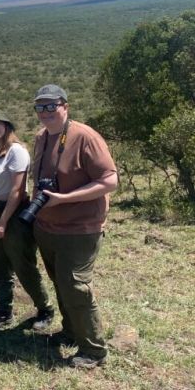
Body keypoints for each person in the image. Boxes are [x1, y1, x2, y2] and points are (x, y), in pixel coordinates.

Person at [30, 84, 118, 368]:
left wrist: (65, 199)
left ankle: (94, 350)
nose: (45, 112)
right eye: (40, 107)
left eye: (51, 106)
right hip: (47, 226)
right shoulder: (41, 137)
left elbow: (110, 181)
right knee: (61, 283)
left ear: (65, 105)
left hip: (80, 228)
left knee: (76, 286)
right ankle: (70, 331)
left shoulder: (85, 136)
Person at [0, 108, 54, 330]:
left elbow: (17, 191)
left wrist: (3, 222)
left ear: (7, 126)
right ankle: (3, 311)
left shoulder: (16, 151)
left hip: (13, 214)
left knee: (22, 263)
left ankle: (45, 308)